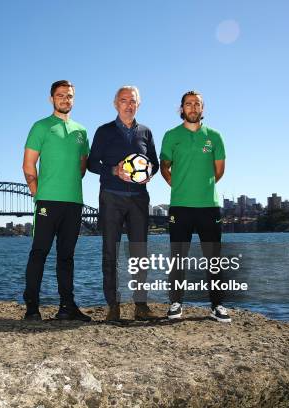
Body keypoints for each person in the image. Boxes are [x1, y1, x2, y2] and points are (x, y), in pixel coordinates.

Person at [88, 86, 159, 321]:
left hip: (139, 199)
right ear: (115, 104)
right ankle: (113, 307)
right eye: (124, 100)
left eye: (133, 101)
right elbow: (91, 163)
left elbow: (155, 164)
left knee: (140, 253)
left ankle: (141, 305)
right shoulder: (104, 131)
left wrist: (148, 173)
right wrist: (114, 170)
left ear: (139, 104)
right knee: (111, 253)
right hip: (111, 198)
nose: (129, 104)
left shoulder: (146, 132)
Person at [22, 80, 91, 322]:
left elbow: (81, 167)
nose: (65, 99)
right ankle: (32, 308)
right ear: (52, 99)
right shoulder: (40, 127)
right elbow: (29, 164)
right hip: (47, 202)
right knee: (39, 253)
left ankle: (66, 307)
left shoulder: (81, 131)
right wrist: (36, 193)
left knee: (66, 256)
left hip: (73, 202)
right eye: (60, 95)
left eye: (69, 96)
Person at [160, 90, 231, 322]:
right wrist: (179, 186)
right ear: (181, 109)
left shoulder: (215, 136)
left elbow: (218, 171)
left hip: (209, 206)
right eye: (188, 104)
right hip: (180, 206)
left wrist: (202, 187)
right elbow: (164, 167)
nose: (192, 108)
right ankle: (176, 303)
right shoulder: (171, 136)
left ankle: (217, 305)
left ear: (203, 109)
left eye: (197, 104)